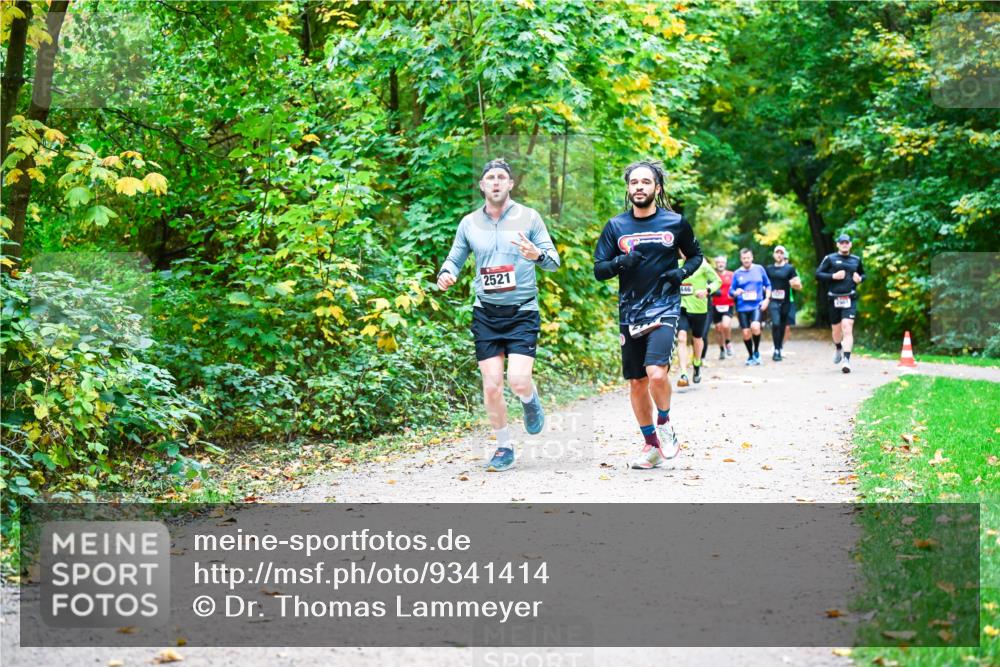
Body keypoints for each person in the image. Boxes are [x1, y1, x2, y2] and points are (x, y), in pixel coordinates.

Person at [437, 159, 561, 471]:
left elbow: (553, 262)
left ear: (510, 184)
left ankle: (529, 400)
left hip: (521, 311)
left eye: (501, 177)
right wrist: (446, 273)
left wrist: (538, 254)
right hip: (486, 314)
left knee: (518, 381)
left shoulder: (529, 218)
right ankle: (504, 446)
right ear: (482, 185)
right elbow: (455, 257)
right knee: (491, 385)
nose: (495, 182)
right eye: (490, 177)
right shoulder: (468, 223)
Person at [594, 160, 704, 470]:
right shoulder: (616, 227)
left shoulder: (675, 223)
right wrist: (621, 263)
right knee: (637, 382)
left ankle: (665, 423)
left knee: (656, 372)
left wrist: (680, 273)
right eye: (634, 183)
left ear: (657, 188)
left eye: (646, 182)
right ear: (628, 189)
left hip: (665, 307)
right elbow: (599, 269)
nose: (639, 187)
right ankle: (651, 444)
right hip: (630, 312)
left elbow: (696, 255)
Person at [816, 233, 865, 374]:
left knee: (847, 327)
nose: (844, 244)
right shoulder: (830, 259)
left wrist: (860, 279)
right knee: (836, 331)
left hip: (850, 298)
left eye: (847, 242)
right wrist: (833, 276)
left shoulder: (856, 260)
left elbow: (863, 274)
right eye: (841, 242)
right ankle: (838, 347)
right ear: (838, 244)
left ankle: (847, 360)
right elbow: (818, 274)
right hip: (834, 299)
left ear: (850, 244)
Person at [676, 253, 721, 386]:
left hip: (698, 308)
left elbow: (717, 281)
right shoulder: (677, 264)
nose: (684, 253)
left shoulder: (702, 264)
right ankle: (683, 373)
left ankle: (696, 364)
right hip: (681, 307)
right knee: (682, 338)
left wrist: (706, 290)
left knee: (697, 339)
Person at [729, 248, 771, 366]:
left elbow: (768, 285)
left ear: (752, 258)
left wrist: (767, 299)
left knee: (755, 327)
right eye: (744, 258)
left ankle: (757, 352)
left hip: (756, 305)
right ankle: (750, 355)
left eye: (748, 257)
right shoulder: (737, 273)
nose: (746, 260)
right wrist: (735, 292)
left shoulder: (759, 269)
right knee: (746, 333)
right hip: (742, 307)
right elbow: (731, 291)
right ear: (741, 259)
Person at [764, 245, 802, 361]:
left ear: (784, 255)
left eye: (781, 253)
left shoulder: (789, 269)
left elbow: (799, 286)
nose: (779, 255)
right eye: (777, 252)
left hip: (785, 301)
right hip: (773, 301)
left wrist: (794, 284)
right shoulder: (768, 269)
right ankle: (776, 350)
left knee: (782, 325)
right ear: (774, 255)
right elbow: (764, 283)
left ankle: (779, 347)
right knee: (775, 323)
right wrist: (766, 293)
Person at [710, 255, 735, 359]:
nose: (720, 264)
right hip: (715, 305)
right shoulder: (712, 275)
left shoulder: (731, 274)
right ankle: (721, 349)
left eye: (722, 262)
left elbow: (736, 287)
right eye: (718, 262)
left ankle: (728, 343)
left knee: (725, 325)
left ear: (725, 263)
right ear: (716, 264)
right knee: (718, 328)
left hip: (728, 304)